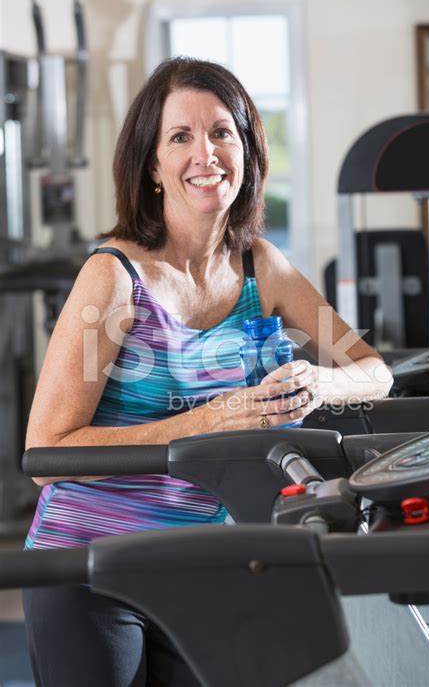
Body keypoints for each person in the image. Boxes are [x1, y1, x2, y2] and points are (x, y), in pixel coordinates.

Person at [23, 57, 392, 686]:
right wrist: (211, 420)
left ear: (247, 146)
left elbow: (373, 370)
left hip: (205, 559)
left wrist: (317, 381)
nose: (206, 153)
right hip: (92, 565)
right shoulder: (114, 280)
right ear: (153, 166)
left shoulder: (260, 268)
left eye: (222, 132)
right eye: (180, 137)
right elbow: (48, 451)